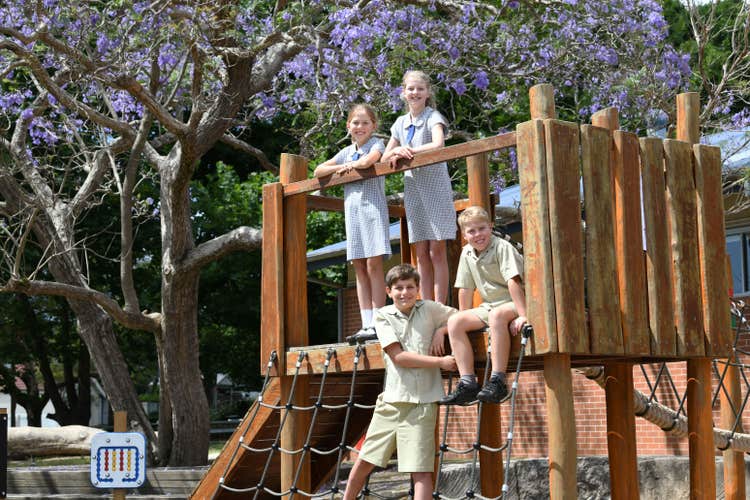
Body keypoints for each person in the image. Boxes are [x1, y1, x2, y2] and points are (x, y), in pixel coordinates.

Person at [342, 264, 457, 500]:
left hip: (423, 403)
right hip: (392, 402)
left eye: (410, 287)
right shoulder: (383, 315)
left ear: (418, 289)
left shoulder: (430, 309)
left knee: (421, 470)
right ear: (388, 291)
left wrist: (443, 330)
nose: (404, 293)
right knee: (365, 460)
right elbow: (399, 357)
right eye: (399, 288)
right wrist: (441, 362)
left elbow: (462, 317)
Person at [314, 104, 389, 340]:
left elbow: (369, 162)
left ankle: (379, 322)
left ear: (373, 126)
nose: (360, 127)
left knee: (373, 265)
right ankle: (366, 323)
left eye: (365, 122)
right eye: (355, 123)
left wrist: (352, 166)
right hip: (353, 214)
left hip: (373, 211)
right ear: (348, 126)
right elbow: (319, 171)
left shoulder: (377, 143)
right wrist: (343, 166)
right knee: (358, 267)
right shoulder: (347, 152)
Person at [439, 206, 527, 405]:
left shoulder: (502, 247)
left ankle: (498, 380)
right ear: (464, 235)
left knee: (497, 315)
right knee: (455, 322)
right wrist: (465, 318)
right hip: (490, 306)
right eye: (471, 231)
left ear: (491, 227)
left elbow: (514, 281)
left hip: (516, 301)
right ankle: (468, 383)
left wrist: (523, 315)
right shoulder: (467, 253)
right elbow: (465, 289)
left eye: (482, 228)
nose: (477, 234)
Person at [381, 70, 456, 304]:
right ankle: (424, 302)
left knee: (437, 250)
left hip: (435, 186)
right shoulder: (400, 123)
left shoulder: (433, 116)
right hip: (413, 188)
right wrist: (396, 150)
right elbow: (384, 158)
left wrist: (408, 151)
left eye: (420, 89)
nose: (415, 93)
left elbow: (437, 143)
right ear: (403, 93)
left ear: (427, 93)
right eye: (410, 89)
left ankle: (439, 305)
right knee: (421, 252)